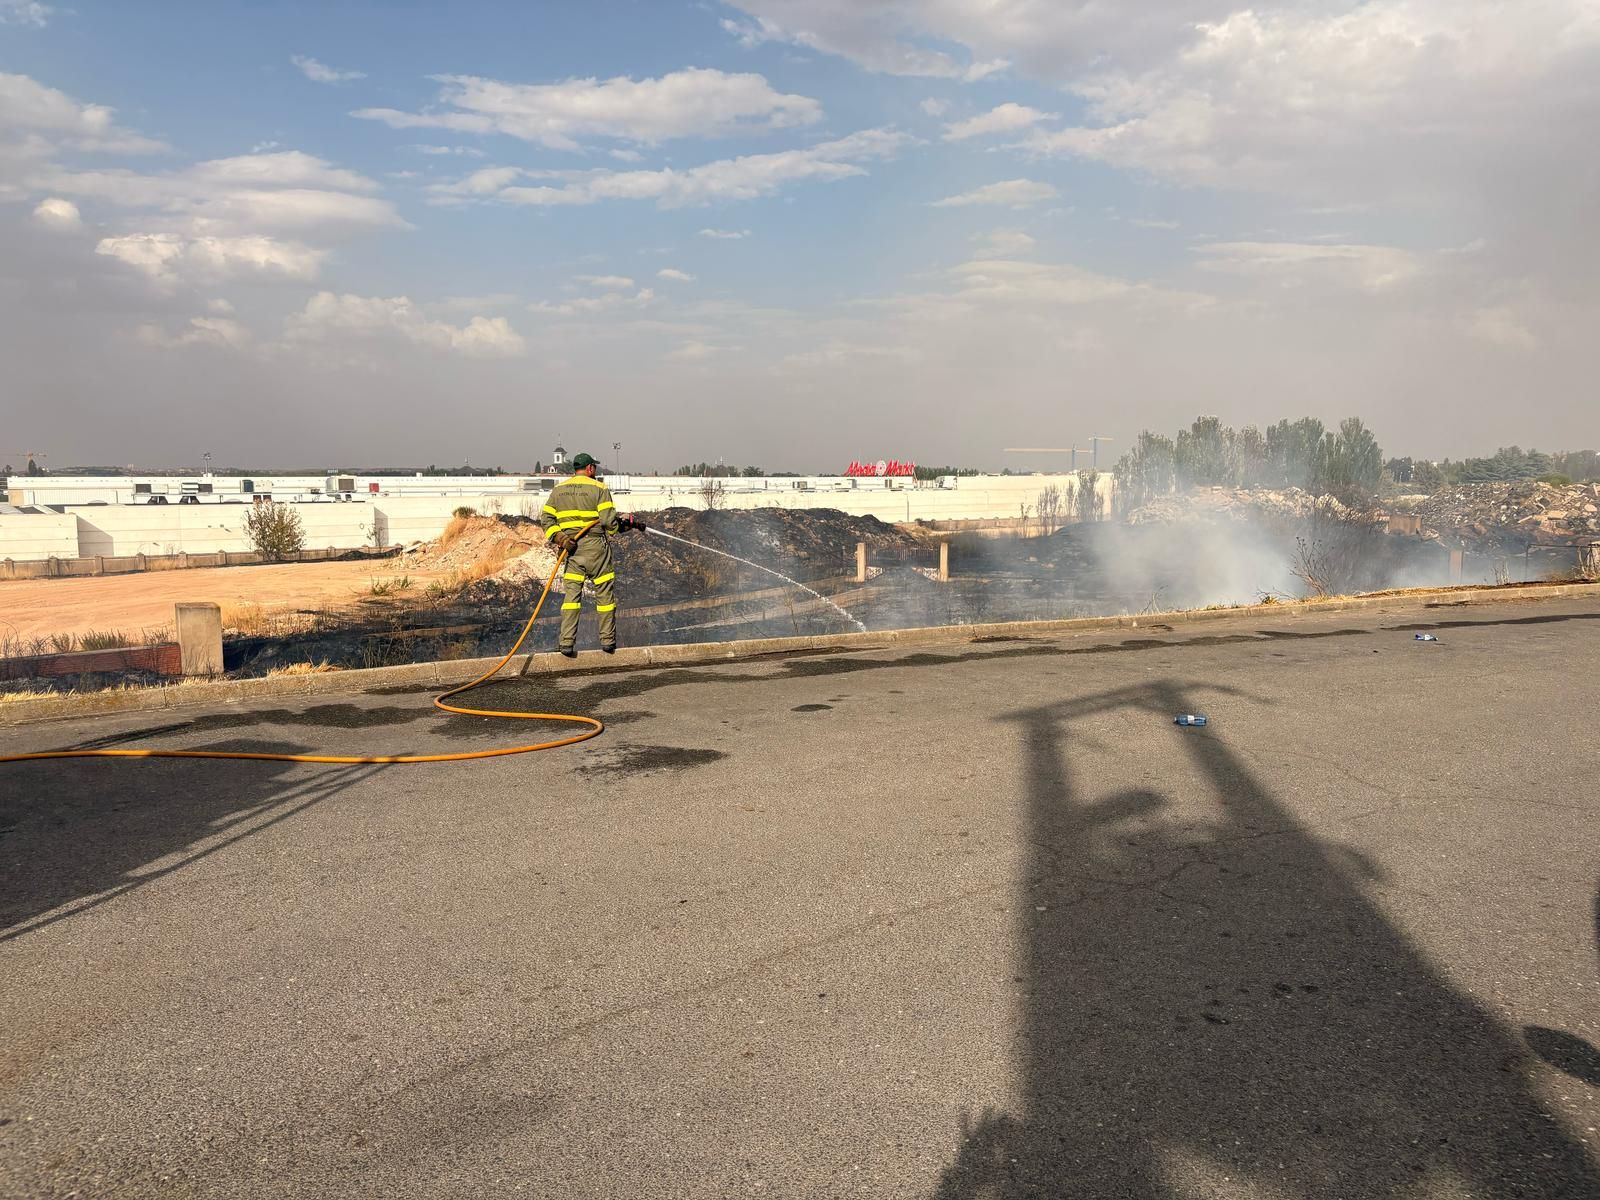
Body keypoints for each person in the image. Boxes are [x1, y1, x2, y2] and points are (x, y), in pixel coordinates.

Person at [537, 452, 645, 656]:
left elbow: (546, 521)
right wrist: (623, 526)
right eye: (594, 467)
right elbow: (609, 524)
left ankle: (566, 643)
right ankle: (607, 642)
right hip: (596, 550)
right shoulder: (600, 488)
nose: (595, 470)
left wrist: (561, 539)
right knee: (604, 596)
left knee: (571, 598)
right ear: (589, 469)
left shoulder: (558, 490)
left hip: (572, 550)